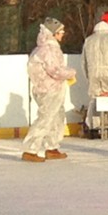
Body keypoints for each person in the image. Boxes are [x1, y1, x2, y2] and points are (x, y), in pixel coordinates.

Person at [20, 18, 76, 162]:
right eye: (61, 32)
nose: (63, 34)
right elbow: (54, 70)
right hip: (50, 89)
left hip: (47, 88)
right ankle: (30, 149)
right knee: (45, 119)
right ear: (54, 33)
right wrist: (71, 73)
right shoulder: (50, 49)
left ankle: (52, 147)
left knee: (56, 117)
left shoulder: (42, 48)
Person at [81, 11, 108, 135]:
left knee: (95, 100)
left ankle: (94, 127)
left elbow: (84, 62)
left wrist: (88, 76)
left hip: (93, 75)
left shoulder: (89, 40)